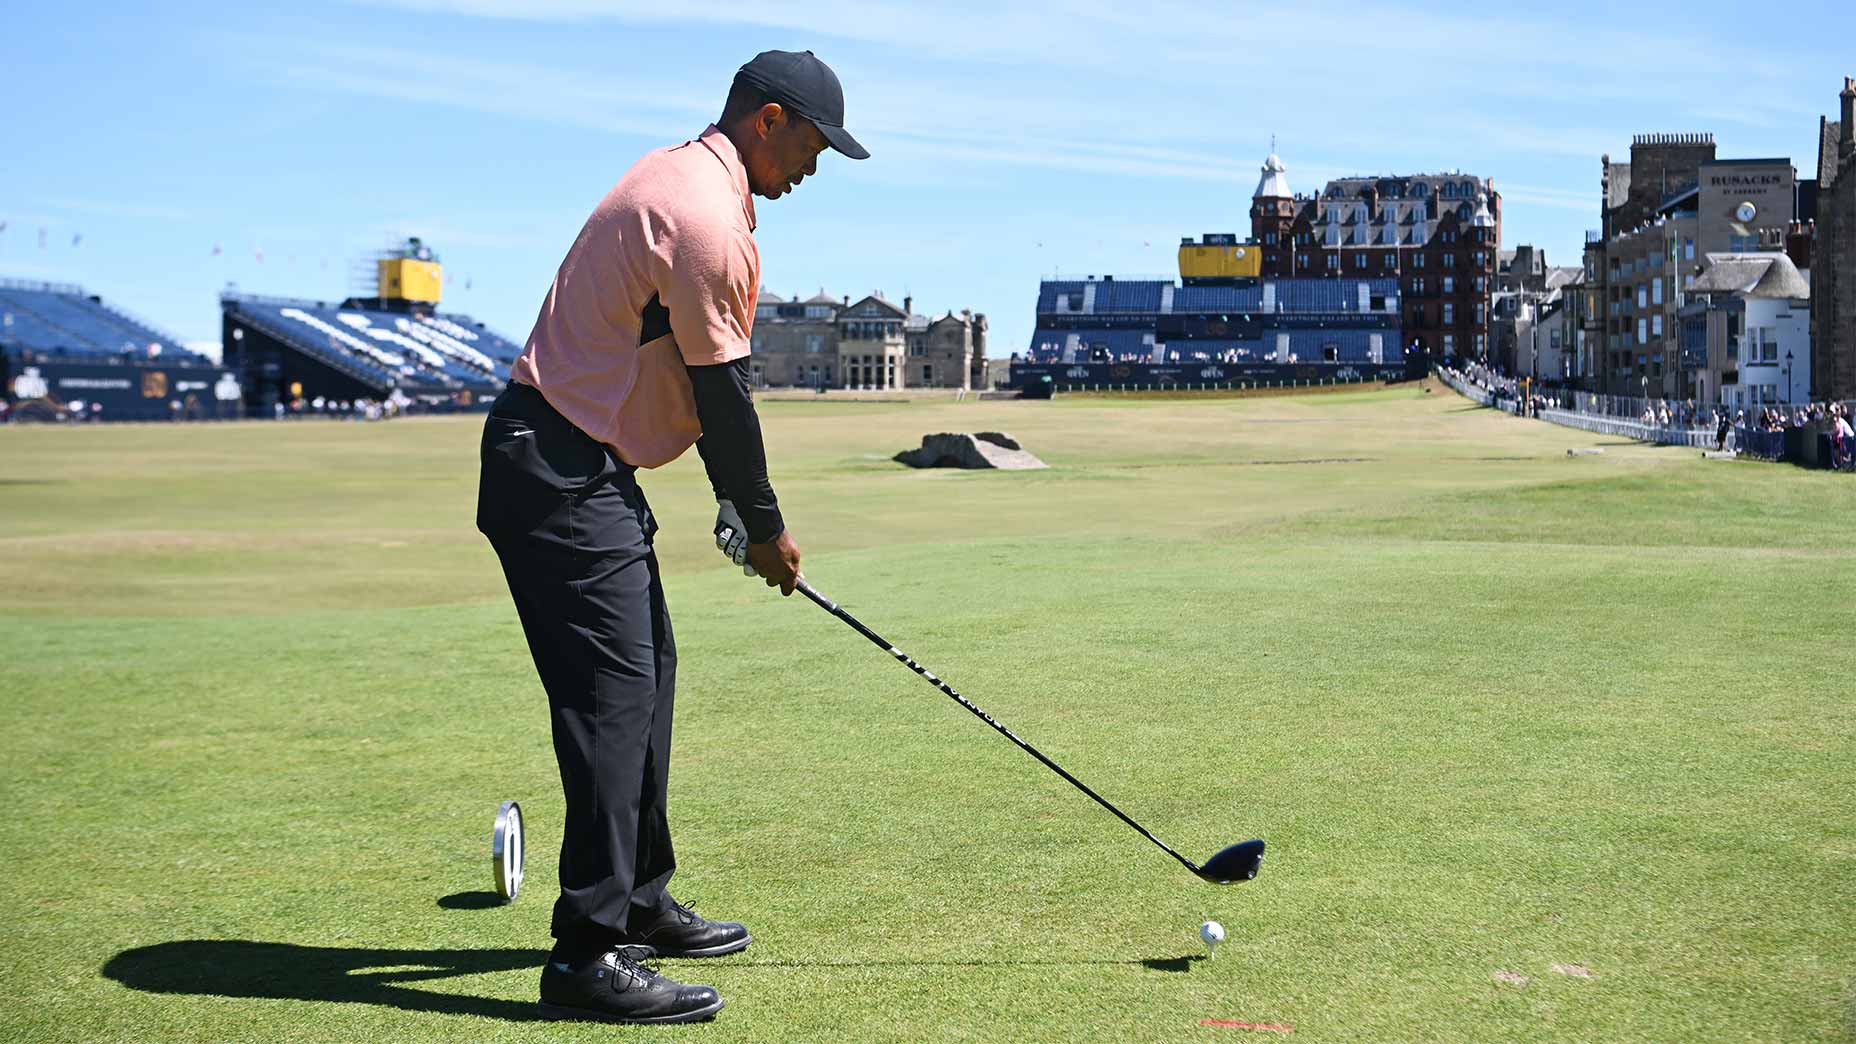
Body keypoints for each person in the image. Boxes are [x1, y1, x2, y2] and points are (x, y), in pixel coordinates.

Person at [475, 49, 866, 1026]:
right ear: (768, 119)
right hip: (556, 470)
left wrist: (734, 509)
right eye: (813, 144)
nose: (813, 169)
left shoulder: (681, 180)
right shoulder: (701, 217)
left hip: (582, 468)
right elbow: (722, 399)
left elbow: (684, 378)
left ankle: (640, 900)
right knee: (612, 705)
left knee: (648, 673)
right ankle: (587, 952)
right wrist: (764, 527)